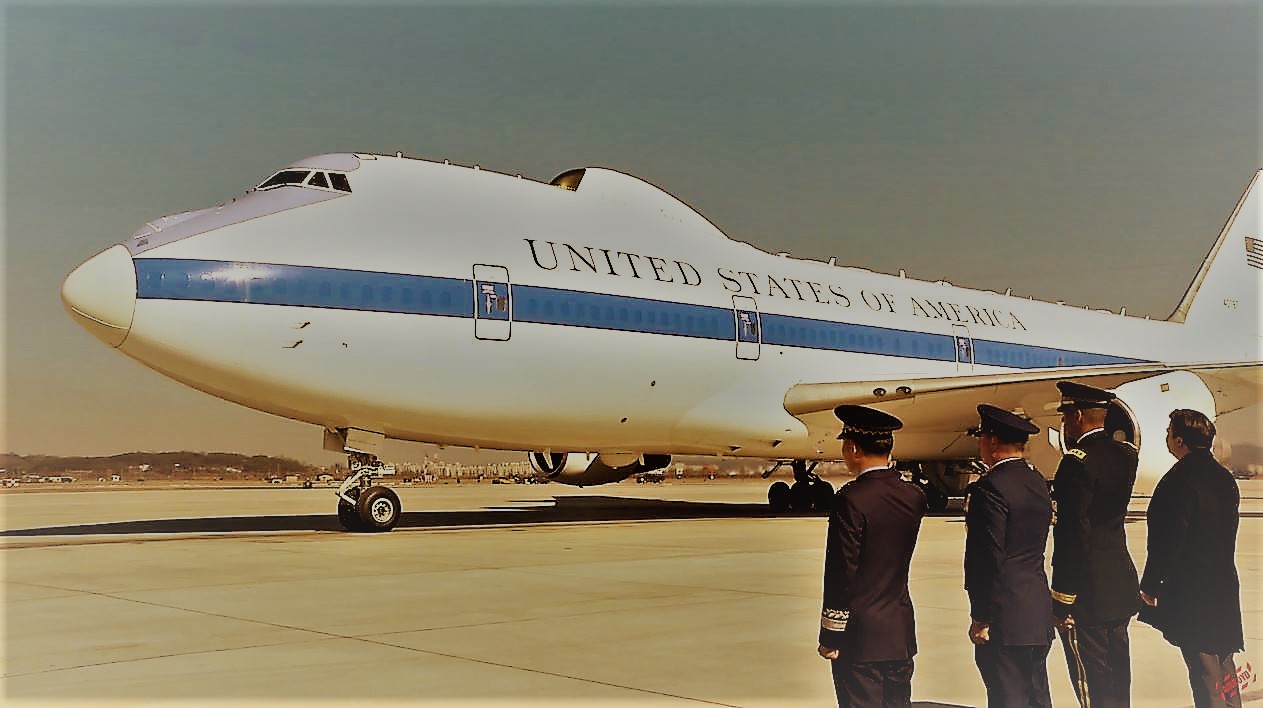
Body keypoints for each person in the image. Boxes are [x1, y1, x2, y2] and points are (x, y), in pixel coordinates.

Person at [818, 405, 928, 707]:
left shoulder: (850, 500)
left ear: (853, 448)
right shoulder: (914, 496)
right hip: (899, 634)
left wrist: (831, 634)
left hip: (860, 638)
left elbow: (842, 571)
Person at [1138, 409, 1244, 707]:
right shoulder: (1224, 478)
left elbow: (1168, 541)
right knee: (1224, 666)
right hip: (1223, 583)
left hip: (1193, 590)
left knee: (1204, 670)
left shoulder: (1179, 479)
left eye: (1169, 432)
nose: (1167, 438)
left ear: (1180, 440)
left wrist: (1152, 585)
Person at [1049, 381, 1140, 708]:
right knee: (1118, 675)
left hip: (1087, 590)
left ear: (1075, 415)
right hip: (1118, 580)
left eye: (1066, 414)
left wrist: (1062, 597)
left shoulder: (1076, 464)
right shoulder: (1126, 455)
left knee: (1092, 681)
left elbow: (1074, 535)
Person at [964, 404, 1054, 707]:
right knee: (1037, 695)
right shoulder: (1037, 483)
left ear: (991, 442)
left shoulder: (989, 488)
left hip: (1005, 615)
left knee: (1007, 697)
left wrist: (981, 615)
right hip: (1036, 610)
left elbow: (987, 558)